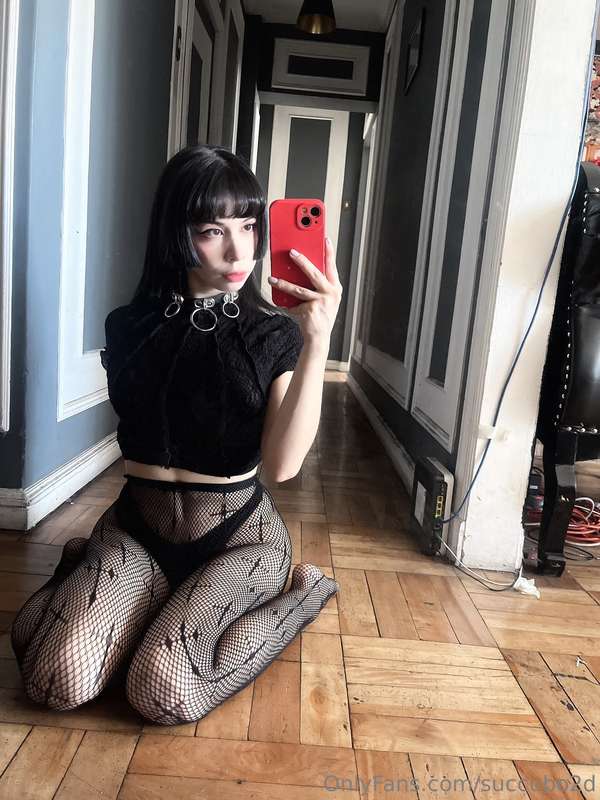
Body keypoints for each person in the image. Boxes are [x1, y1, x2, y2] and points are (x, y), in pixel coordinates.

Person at [10, 144, 342, 725]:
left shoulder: (272, 334)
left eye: (249, 226)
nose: (240, 251)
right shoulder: (126, 325)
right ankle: (102, 575)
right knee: (55, 679)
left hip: (239, 539)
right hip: (137, 530)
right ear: (175, 233)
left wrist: (316, 342)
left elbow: (283, 465)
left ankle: (303, 595)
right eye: (213, 231)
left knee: (162, 691)